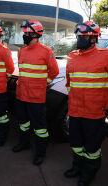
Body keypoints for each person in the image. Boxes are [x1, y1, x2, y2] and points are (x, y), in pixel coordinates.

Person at [64, 21, 107, 186]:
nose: (79, 38)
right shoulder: (72, 56)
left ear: (93, 38)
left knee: (92, 148)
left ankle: (88, 174)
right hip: (75, 111)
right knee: (76, 144)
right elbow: (69, 83)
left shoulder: (105, 55)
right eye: (78, 35)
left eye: (83, 36)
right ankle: (77, 167)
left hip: (94, 112)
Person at [13, 20, 59, 165]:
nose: (24, 35)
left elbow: (54, 72)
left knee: (40, 128)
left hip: (36, 98)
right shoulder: (22, 51)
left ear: (35, 34)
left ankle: (40, 153)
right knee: (23, 123)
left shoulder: (46, 52)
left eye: (27, 33)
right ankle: (24, 143)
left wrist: (42, 84)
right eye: (25, 33)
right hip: (21, 95)